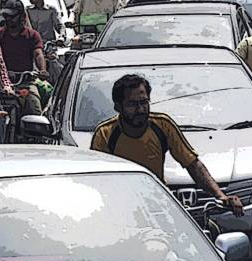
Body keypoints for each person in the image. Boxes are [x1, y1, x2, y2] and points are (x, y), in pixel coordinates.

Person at [91, 74, 244, 216]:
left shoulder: (162, 125)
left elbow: (193, 164)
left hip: (157, 206)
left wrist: (221, 196)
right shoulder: (105, 134)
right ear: (118, 107)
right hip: (120, 208)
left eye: (144, 102)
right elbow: (98, 181)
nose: (140, 109)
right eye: (132, 104)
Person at [0, 0, 47, 115]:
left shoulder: (32, 35)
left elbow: (38, 54)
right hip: (1, 84)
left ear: (22, 16)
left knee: (35, 110)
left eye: (12, 16)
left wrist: (42, 70)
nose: (8, 19)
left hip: (26, 83)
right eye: (6, 16)